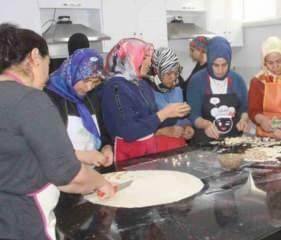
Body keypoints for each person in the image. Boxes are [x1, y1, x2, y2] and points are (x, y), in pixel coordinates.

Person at [0, 24, 114, 240]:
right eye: (47, 61)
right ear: (35, 56)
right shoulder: (31, 100)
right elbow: (68, 176)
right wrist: (101, 182)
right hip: (24, 221)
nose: (49, 70)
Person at [101, 38, 191, 162]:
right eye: (143, 58)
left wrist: (175, 113)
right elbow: (129, 131)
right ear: (128, 59)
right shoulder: (115, 88)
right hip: (128, 157)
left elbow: (152, 120)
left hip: (148, 152)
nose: (149, 63)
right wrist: (164, 114)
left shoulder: (141, 84)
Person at [46, 48, 113, 168]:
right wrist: (83, 156)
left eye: (95, 82)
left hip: (92, 173)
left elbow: (103, 133)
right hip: (65, 176)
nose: (89, 87)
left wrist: (106, 148)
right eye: (86, 81)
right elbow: (48, 147)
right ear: (73, 74)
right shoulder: (49, 99)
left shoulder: (91, 99)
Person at [187, 36, 249, 143]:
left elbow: (244, 109)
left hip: (234, 141)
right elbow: (193, 115)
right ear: (209, 60)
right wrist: (206, 124)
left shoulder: (237, 80)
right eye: (215, 65)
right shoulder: (197, 81)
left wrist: (243, 120)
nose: (220, 70)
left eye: (224, 65)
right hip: (205, 142)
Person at [248, 36, 281, 140]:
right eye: (270, 63)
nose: (275, 66)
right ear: (264, 62)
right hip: (267, 136)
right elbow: (253, 111)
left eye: (279, 61)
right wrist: (262, 120)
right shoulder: (258, 81)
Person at [148, 47, 195, 151]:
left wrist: (187, 126)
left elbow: (181, 118)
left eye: (175, 73)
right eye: (168, 73)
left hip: (178, 145)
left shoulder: (177, 90)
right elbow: (140, 128)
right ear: (157, 72)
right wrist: (163, 131)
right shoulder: (147, 92)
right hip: (156, 149)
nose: (173, 78)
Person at [181, 36, 209, 100]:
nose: (190, 53)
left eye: (192, 50)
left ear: (200, 50)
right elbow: (189, 84)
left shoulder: (207, 69)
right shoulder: (199, 64)